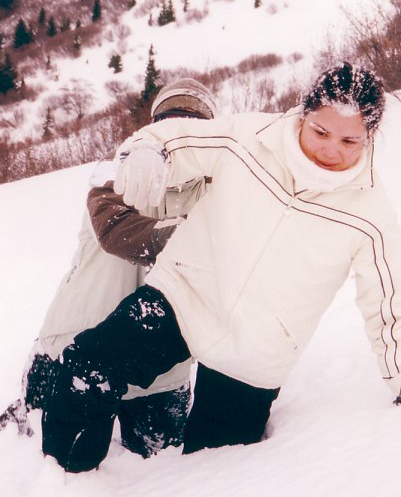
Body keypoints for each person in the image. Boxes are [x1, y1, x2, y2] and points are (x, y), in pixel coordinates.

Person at [40, 62, 401, 474]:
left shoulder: (370, 215)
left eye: (349, 140)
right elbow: (174, 136)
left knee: (212, 469)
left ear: (370, 136)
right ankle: (64, 477)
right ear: (304, 114)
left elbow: (389, 307)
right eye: (320, 131)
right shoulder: (248, 139)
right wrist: (146, 151)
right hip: (182, 299)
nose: (330, 150)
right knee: (87, 366)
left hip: (255, 353)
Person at [0, 78, 217, 458]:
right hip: (71, 344)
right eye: (168, 121)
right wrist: (198, 239)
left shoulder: (219, 190)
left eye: (192, 125)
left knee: (160, 467)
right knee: (33, 454)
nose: (178, 132)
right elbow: (120, 233)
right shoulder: (116, 172)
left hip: (160, 371)